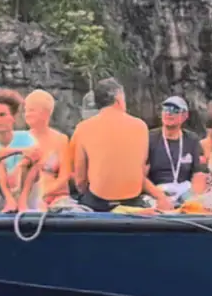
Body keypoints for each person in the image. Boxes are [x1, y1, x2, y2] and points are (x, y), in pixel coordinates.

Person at [62, 78, 172, 212]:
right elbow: (139, 172)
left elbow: (80, 180)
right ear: (118, 99)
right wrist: (160, 196)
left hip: (98, 202)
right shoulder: (140, 126)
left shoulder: (83, 128)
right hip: (132, 201)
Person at [0, 88, 39, 212]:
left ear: (13, 117)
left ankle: (22, 202)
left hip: (22, 186)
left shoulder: (25, 137)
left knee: (33, 163)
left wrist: (19, 168)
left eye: (2, 115)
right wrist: (18, 150)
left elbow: (35, 154)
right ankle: (9, 202)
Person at [146, 96, 207, 204]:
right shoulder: (149, 138)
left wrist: (194, 200)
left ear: (185, 116)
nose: (169, 113)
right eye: (166, 109)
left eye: (175, 110)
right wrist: (161, 197)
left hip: (184, 191)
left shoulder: (192, 139)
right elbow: (140, 175)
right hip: (155, 192)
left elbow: (199, 174)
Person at [17, 89, 72, 210]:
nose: (27, 114)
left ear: (46, 112)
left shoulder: (61, 139)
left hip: (56, 199)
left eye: (31, 110)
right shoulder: (21, 140)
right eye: (25, 110)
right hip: (28, 198)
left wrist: (44, 192)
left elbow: (65, 176)